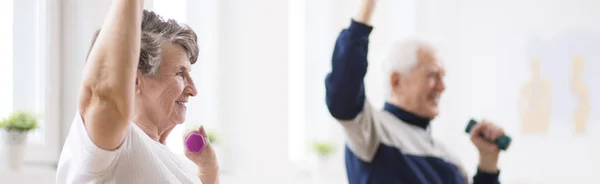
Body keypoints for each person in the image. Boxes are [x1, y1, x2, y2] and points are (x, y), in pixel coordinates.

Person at [325, 0, 505, 183]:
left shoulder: (450, 160)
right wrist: (365, 12)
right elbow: (343, 92)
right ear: (396, 81)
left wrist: (488, 161)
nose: (442, 87)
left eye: (443, 77)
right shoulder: (373, 131)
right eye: (433, 75)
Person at [56, 1, 219, 183]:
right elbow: (106, 94)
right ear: (134, 80)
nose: (193, 90)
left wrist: (208, 169)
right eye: (180, 73)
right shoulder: (114, 144)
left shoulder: (168, 159)